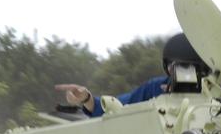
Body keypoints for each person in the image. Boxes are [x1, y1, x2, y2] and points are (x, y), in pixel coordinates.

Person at [55, 32, 210, 117]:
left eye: (187, 67)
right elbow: (116, 107)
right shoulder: (156, 89)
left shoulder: (217, 91)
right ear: (167, 67)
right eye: (174, 67)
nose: (181, 73)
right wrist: (87, 99)